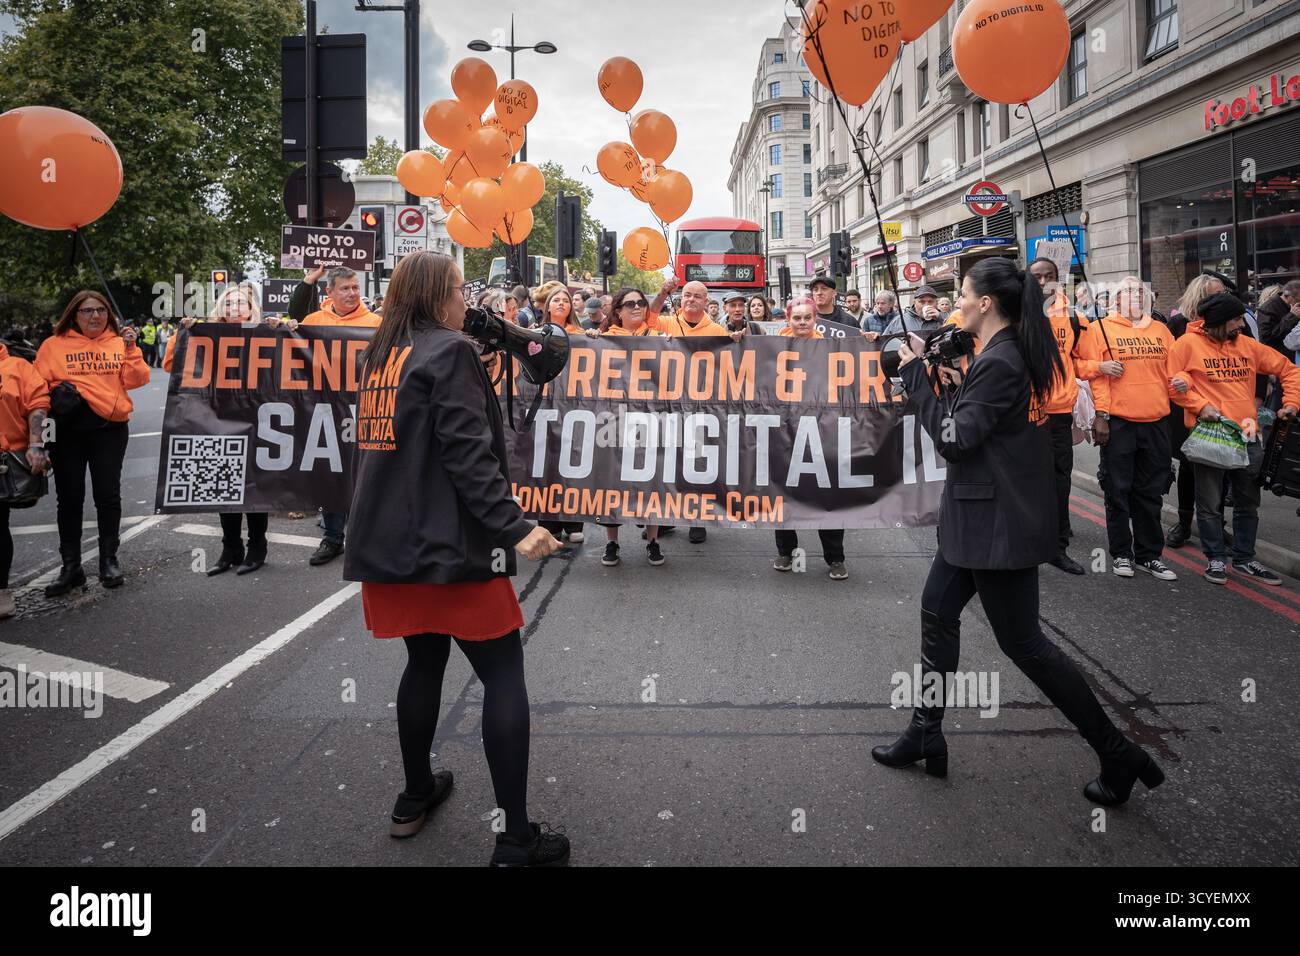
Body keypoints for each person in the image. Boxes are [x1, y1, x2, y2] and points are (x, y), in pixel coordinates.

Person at [875, 258, 1165, 807]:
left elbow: (956, 440)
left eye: (961, 293)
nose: (956, 301)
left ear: (986, 303)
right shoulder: (1005, 353)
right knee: (937, 611)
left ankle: (1119, 753)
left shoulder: (1003, 360)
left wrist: (915, 374)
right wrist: (954, 379)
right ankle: (924, 731)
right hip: (977, 516)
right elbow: (985, 423)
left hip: (995, 525)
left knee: (1025, 644)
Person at [343, 250, 570, 866]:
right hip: (449, 543)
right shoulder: (449, 352)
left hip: (390, 546)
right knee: (502, 674)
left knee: (423, 661)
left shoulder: (383, 353)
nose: (464, 301)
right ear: (435, 294)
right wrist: (515, 527)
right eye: (457, 290)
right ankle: (516, 838)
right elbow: (467, 455)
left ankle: (414, 796)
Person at [1166, 291, 1300, 585]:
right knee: (1210, 502)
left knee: (1247, 502)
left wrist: (1291, 403)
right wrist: (1201, 406)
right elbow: (1174, 385)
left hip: (1248, 434)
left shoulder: (1248, 346)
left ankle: (1244, 559)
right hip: (1211, 435)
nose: (1242, 324)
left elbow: (1288, 370)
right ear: (1219, 321)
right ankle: (1215, 559)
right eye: (1237, 319)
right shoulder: (1187, 345)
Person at [36, 291, 151, 596]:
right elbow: (39, 397)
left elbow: (138, 379)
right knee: (69, 500)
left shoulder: (118, 342)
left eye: (100, 310)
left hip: (109, 431)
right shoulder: (52, 346)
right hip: (67, 432)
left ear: (108, 314)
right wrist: (42, 443)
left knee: (108, 496)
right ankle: (70, 567)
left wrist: (130, 348)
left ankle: (108, 560)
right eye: (87, 311)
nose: (94, 316)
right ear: (74, 315)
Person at [163, 283, 273, 576]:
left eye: (241, 303)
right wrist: (182, 334)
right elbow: (169, 366)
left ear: (251, 309)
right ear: (220, 309)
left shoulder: (265, 332)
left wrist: (285, 327)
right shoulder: (203, 334)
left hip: (255, 418)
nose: (234, 308)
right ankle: (231, 548)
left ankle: (257, 546)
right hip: (218, 418)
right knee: (224, 482)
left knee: (254, 485)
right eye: (228, 304)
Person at [1082, 276, 1177, 581]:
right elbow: (1089, 372)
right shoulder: (1099, 329)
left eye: (1141, 292)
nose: (1137, 296)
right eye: (1130, 292)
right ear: (1117, 300)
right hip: (1119, 422)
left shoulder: (1161, 330)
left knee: (1150, 493)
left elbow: (1173, 371)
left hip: (1157, 422)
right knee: (1117, 489)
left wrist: (1181, 383)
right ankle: (1122, 553)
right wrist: (1101, 415)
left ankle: (1150, 555)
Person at [287, 265, 382, 566]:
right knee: (331, 473)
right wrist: (308, 281)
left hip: (364, 411)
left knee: (363, 474)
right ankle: (332, 538)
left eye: (355, 287)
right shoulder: (315, 322)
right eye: (345, 288)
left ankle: (364, 538)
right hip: (325, 412)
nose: (353, 293)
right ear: (329, 292)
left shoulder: (376, 323)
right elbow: (295, 317)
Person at [773, 298, 847, 579]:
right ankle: (786, 552)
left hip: (822, 428)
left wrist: (868, 341)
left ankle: (835, 558)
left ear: (815, 320)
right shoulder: (771, 348)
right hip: (784, 429)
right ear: (788, 320)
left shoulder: (831, 348)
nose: (802, 323)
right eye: (797, 318)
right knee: (783, 492)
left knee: (826, 493)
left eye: (807, 318)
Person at [1027, 257, 1091, 576]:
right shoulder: (1014, 312)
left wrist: (1097, 371)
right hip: (1023, 414)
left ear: (1058, 279)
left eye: (1048, 276)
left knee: (1059, 482)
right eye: (1036, 276)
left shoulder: (1072, 317)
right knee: (1024, 481)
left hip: (1059, 412)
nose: (1042, 282)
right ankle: (1025, 543)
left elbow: (1082, 361)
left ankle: (1057, 547)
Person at [595, 288, 667, 566]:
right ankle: (612, 543)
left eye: (641, 303)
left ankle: (652, 541)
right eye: (630, 304)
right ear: (618, 311)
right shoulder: (606, 339)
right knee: (613, 480)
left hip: (651, 417)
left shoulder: (658, 338)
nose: (637, 307)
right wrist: (589, 341)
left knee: (652, 479)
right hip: (615, 418)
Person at [653, 280, 728, 544]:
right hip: (668, 404)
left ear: (706, 302)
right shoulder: (666, 322)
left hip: (701, 405)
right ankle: (664, 520)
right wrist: (663, 293)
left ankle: (698, 520)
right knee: (667, 464)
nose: (691, 300)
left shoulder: (717, 330)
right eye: (687, 295)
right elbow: (646, 321)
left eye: (697, 296)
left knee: (698, 464)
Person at [1162, 273, 1224, 547]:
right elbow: (1170, 365)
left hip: (1222, 404)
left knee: (1222, 463)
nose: (1220, 298)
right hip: (1187, 405)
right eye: (1214, 294)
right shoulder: (1179, 324)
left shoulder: (1229, 323)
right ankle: (1185, 523)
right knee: (1189, 465)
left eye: (1222, 293)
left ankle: (1217, 523)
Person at [0, 337, 52, 618]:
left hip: (5, 459)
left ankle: (1, 592)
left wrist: (37, 445)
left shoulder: (17, 367)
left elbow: (40, 405)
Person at [538, 287, 586, 543]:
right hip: (544, 405)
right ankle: (549, 521)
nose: (560, 303)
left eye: (565, 300)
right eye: (555, 300)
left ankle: (573, 522)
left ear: (571, 307)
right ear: (547, 305)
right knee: (546, 462)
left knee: (571, 460)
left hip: (575, 404)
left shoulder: (581, 334)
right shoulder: (535, 332)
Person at [882, 284, 947, 341]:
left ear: (936, 303)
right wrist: (875, 337)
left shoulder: (945, 319)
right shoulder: (900, 320)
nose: (926, 305)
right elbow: (884, 341)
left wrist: (940, 318)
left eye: (930, 301)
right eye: (922, 301)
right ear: (914, 303)